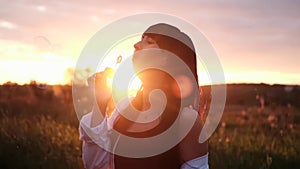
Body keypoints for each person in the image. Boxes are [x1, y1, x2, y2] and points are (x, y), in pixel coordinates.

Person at [79, 23, 209, 169]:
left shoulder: (186, 120)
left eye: (149, 42)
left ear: (168, 58)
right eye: (141, 39)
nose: (136, 45)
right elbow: (96, 165)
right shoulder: (125, 107)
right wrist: (100, 104)